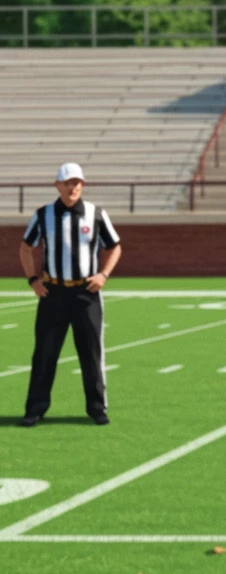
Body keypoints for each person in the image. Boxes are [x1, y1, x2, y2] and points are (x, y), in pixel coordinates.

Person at [18, 162, 122, 427]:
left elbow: (115, 247)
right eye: (68, 183)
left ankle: (97, 408)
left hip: (85, 292)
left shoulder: (95, 214)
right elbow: (25, 247)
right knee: (44, 352)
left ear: (83, 185)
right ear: (58, 185)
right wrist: (33, 279)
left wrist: (104, 275)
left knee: (90, 352)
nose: (73, 187)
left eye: (77, 183)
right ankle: (35, 409)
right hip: (52, 293)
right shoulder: (43, 215)